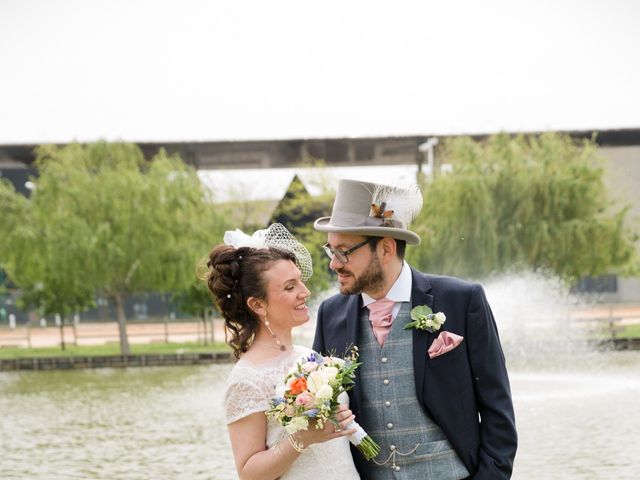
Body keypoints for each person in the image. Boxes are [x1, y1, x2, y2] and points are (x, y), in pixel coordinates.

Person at [312, 179, 517, 479]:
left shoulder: (462, 300)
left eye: (343, 252)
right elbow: (325, 411)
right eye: (331, 251)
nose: (333, 264)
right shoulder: (330, 315)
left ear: (385, 248)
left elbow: (497, 407)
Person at [205, 223, 361, 480]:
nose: (305, 292)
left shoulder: (307, 357)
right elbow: (249, 472)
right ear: (258, 304)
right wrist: (302, 438)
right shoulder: (247, 379)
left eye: (300, 281)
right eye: (290, 287)